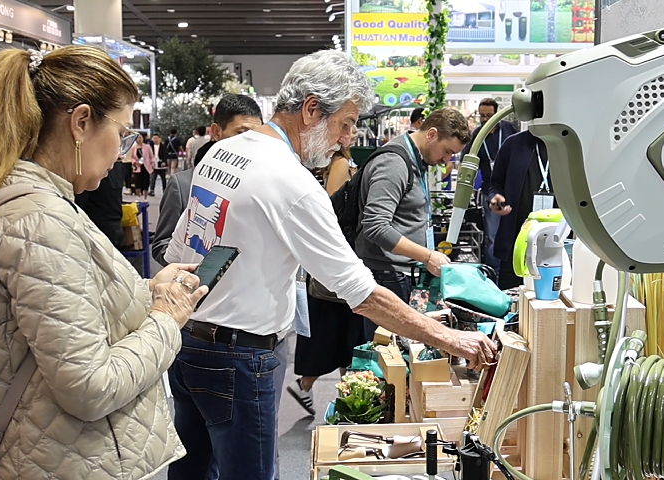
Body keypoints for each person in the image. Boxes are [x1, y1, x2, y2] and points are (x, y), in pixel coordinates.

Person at [163, 49, 495, 480]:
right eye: (346, 123)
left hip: (189, 340)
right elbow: (361, 293)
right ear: (311, 109)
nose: (348, 138)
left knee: (190, 471)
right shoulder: (291, 181)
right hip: (240, 357)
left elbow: (179, 252)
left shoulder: (223, 153)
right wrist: (446, 336)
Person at [0, 46, 208, 480]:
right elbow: (91, 387)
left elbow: (60, 317)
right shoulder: (40, 224)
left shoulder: (29, 206)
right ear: (81, 123)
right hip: (72, 461)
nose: (125, 153)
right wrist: (167, 320)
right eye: (123, 134)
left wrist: (146, 292)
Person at [356, 108, 471, 339]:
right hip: (387, 275)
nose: (446, 160)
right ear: (431, 134)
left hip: (400, 273)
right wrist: (427, 256)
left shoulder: (417, 160)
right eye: (447, 151)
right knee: (388, 355)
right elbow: (376, 226)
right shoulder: (394, 164)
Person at [287, 147, 361, 414]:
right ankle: (346, 396)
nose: (352, 131)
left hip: (331, 273)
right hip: (335, 271)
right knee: (339, 334)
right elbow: (334, 212)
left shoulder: (340, 162)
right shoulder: (341, 163)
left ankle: (345, 395)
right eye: (347, 124)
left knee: (339, 336)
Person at [153, 94, 263, 266]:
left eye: (256, 135)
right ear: (216, 132)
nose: (251, 143)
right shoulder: (182, 184)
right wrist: (193, 264)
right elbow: (161, 245)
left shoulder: (260, 185)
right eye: (241, 133)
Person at [488, 130, 555, 289]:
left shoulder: (568, 145)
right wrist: (496, 198)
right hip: (516, 244)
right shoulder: (514, 144)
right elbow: (496, 183)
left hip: (556, 244)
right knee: (512, 301)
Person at [461, 98, 520, 273]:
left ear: (497, 114)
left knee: (515, 232)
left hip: (513, 191)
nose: (486, 119)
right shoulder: (477, 136)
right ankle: (494, 273)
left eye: (489, 115)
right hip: (490, 192)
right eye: (482, 116)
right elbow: (467, 162)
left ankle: (512, 271)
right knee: (492, 235)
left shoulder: (510, 131)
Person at [130, 132, 154, 199]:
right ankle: (138, 196)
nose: (139, 139)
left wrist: (152, 163)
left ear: (143, 138)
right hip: (137, 167)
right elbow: (132, 157)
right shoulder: (133, 148)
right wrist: (135, 162)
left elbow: (151, 156)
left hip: (146, 167)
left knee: (146, 182)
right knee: (137, 182)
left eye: (140, 137)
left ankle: (145, 197)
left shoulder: (147, 147)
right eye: (138, 138)